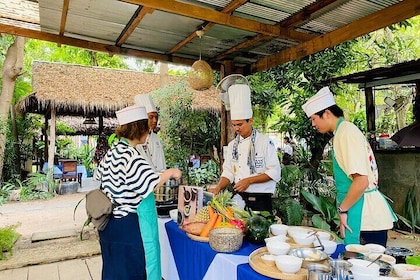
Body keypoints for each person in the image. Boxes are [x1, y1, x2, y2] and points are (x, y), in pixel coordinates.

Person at [95, 104, 181, 280]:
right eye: (146, 126)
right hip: (126, 224)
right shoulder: (131, 156)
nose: (149, 130)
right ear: (139, 129)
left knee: (113, 269)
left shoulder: (114, 152)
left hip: (108, 223)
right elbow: (150, 182)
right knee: (131, 271)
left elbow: (99, 175)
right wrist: (171, 172)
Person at [302, 86, 397, 246]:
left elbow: (361, 181)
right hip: (359, 211)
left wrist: (343, 209)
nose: (313, 124)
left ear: (326, 113)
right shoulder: (343, 132)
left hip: (364, 216)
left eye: (313, 118)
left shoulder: (345, 133)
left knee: (363, 265)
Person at [209, 81, 281, 212]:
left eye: (240, 124)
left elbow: (274, 172)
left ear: (250, 120)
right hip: (239, 200)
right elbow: (228, 171)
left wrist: (249, 181)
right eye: (234, 124)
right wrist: (218, 187)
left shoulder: (265, 142)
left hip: (261, 199)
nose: (236, 128)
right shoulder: (232, 146)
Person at [134, 94, 167, 172]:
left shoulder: (156, 138)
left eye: (156, 117)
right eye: (151, 117)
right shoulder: (135, 140)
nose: (155, 120)